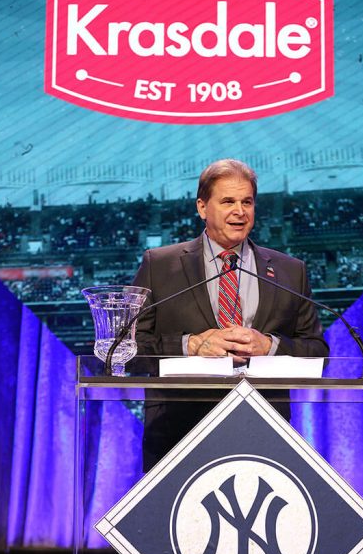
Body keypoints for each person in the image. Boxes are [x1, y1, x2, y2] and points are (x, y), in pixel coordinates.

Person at [130, 158, 329, 473]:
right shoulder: (160, 266)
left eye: (247, 201)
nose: (240, 211)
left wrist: (270, 346)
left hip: (263, 437)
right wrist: (190, 345)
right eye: (228, 201)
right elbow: (127, 350)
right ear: (202, 207)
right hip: (178, 436)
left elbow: (318, 352)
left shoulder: (291, 271)